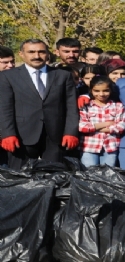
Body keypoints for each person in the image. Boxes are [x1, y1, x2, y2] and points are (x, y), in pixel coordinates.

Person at [0, 39, 79, 170]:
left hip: (55, 136)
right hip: (21, 136)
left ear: (48, 53)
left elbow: (71, 107)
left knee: (55, 177)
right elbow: (5, 108)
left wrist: (71, 132)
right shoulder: (8, 76)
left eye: (41, 52)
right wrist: (8, 133)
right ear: (21, 54)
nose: (36, 56)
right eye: (31, 52)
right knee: (19, 179)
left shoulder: (62, 75)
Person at [78, 76, 125, 167]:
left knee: (108, 175)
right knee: (89, 174)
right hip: (89, 146)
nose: (101, 94)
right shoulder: (86, 106)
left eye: (106, 90)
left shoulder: (118, 106)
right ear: (91, 90)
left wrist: (94, 127)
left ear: (111, 90)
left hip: (110, 147)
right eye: (97, 91)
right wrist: (106, 124)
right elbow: (82, 126)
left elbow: (121, 126)